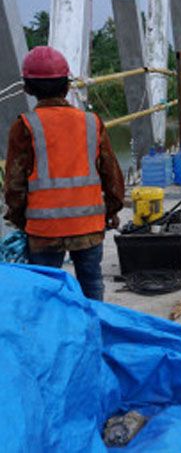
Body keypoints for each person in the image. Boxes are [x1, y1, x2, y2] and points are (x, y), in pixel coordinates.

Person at [4, 46, 124, 301]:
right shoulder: (92, 122)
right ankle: (92, 333)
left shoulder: (24, 126)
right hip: (88, 226)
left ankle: (51, 338)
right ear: (67, 86)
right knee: (91, 284)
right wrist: (111, 210)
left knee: (47, 292)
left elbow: (14, 186)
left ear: (27, 88)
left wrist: (19, 219)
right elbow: (112, 174)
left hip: (44, 229)